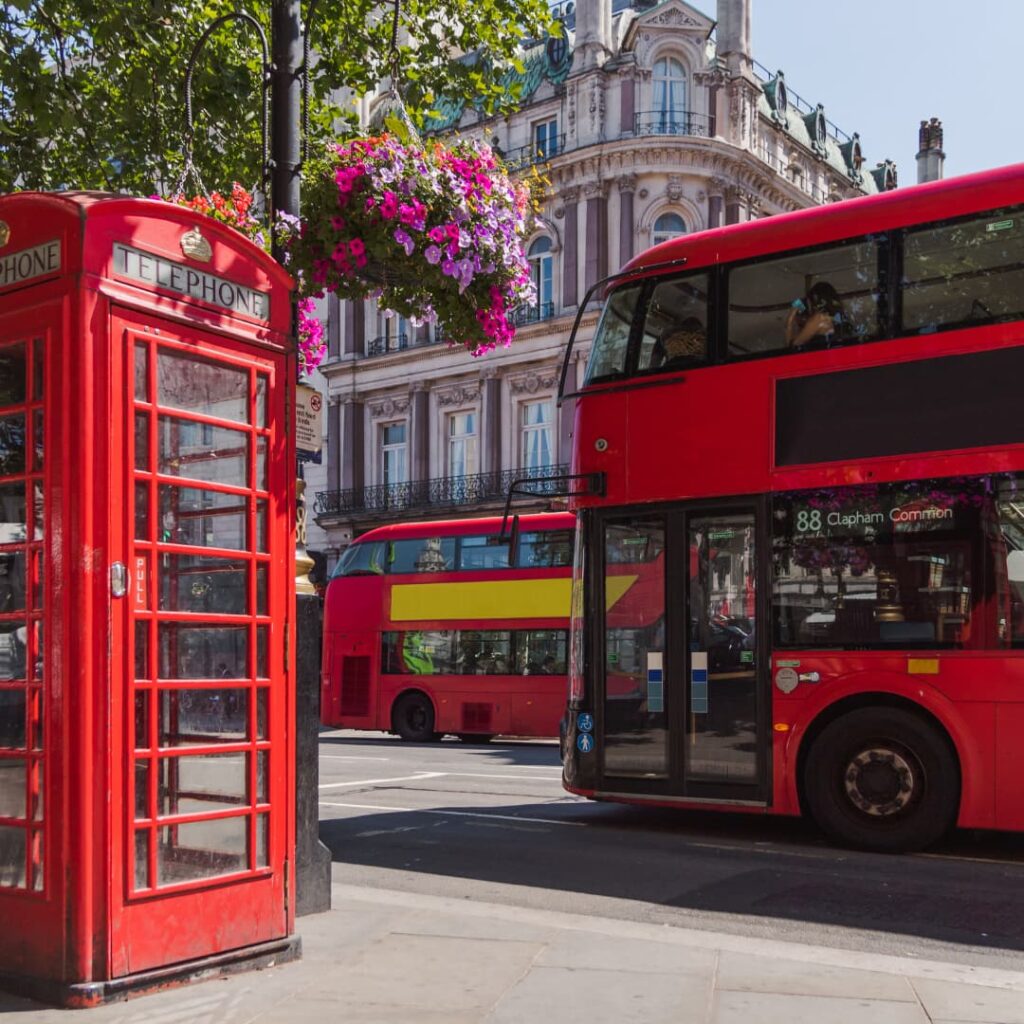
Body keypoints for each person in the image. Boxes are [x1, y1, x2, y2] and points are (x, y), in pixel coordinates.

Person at [786, 281, 848, 348]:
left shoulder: (819, 318)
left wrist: (790, 319)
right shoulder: (836, 317)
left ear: (813, 300)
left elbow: (794, 347)